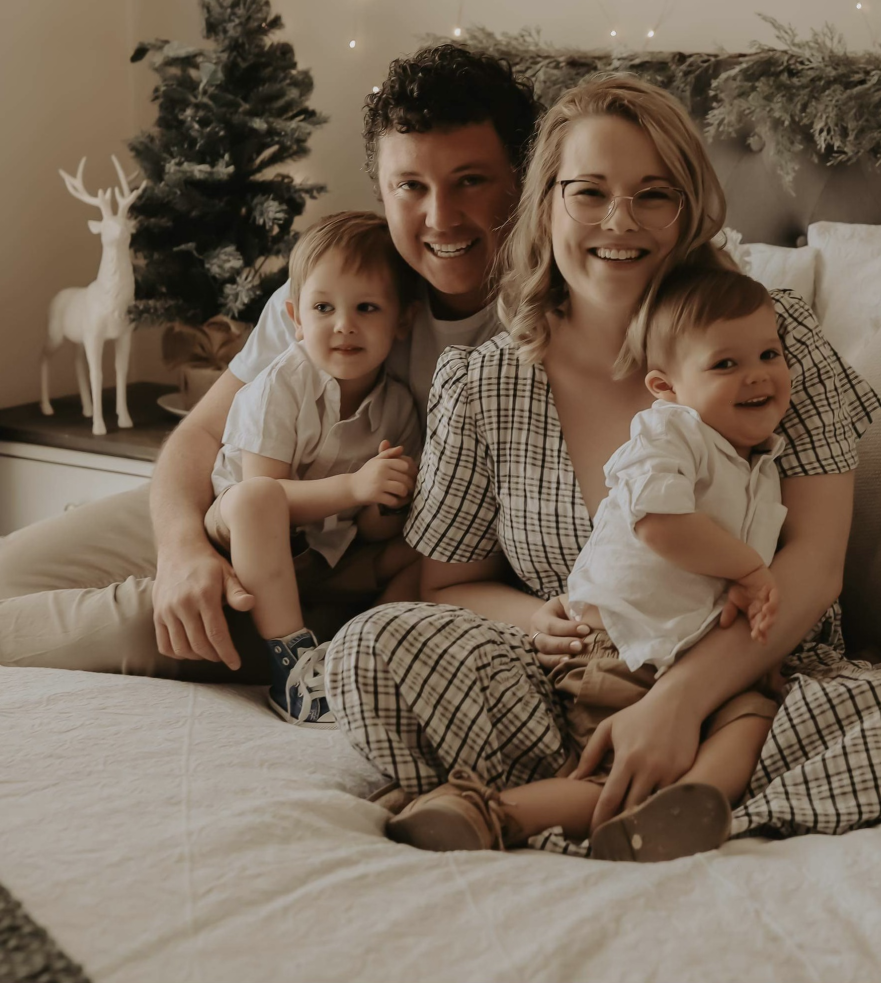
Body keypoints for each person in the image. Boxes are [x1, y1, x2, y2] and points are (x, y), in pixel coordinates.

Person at [325, 74, 881, 857]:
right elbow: (449, 587)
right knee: (372, 647)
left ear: (688, 210)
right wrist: (535, 619)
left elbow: (817, 566)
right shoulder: (483, 384)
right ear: (547, 203)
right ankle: (627, 789)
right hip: (567, 682)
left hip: (757, 685)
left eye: (652, 195)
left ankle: (550, 804)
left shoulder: (772, 343)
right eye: (589, 193)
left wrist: (680, 703)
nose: (619, 223)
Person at [0, 44, 540, 682]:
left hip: (340, 564)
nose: (440, 216)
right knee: (12, 574)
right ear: (382, 191)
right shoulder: (334, 289)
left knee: (131, 626)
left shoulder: (540, 323)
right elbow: (202, 433)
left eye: (469, 181)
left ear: (521, 179)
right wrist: (181, 549)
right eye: (410, 186)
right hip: (233, 504)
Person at [385, 266, 788, 858]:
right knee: (605, 768)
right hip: (621, 646)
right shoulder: (669, 433)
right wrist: (750, 573)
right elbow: (658, 521)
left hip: (697, 660)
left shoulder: (758, 464)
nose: (756, 374)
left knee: (753, 719)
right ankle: (487, 812)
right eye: (724, 364)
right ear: (666, 386)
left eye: (769, 354)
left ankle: (688, 804)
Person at [205, 212, 422, 724]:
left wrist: (386, 500)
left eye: (366, 308)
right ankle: (292, 668)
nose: (343, 324)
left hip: (327, 556)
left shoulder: (398, 408)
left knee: (422, 554)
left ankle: (366, 658)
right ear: (296, 317)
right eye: (323, 308)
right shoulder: (281, 386)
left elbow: (369, 526)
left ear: (403, 321)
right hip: (241, 539)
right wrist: (354, 486)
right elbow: (267, 494)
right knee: (256, 499)